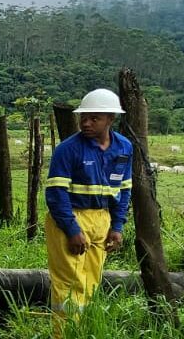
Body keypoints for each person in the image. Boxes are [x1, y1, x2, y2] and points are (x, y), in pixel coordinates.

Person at [45, 88, 132, 312]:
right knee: (69, 284)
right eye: (84, 117)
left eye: (95, 118)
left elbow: (123, 190)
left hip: (102, 218)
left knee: (92, 281)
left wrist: (117, 226)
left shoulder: (124, 147)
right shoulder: (68, 149)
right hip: (71, 217)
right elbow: (56, 194)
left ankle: (83, 335)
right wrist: (72, 230)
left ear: (111, 119)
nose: (86, 123)